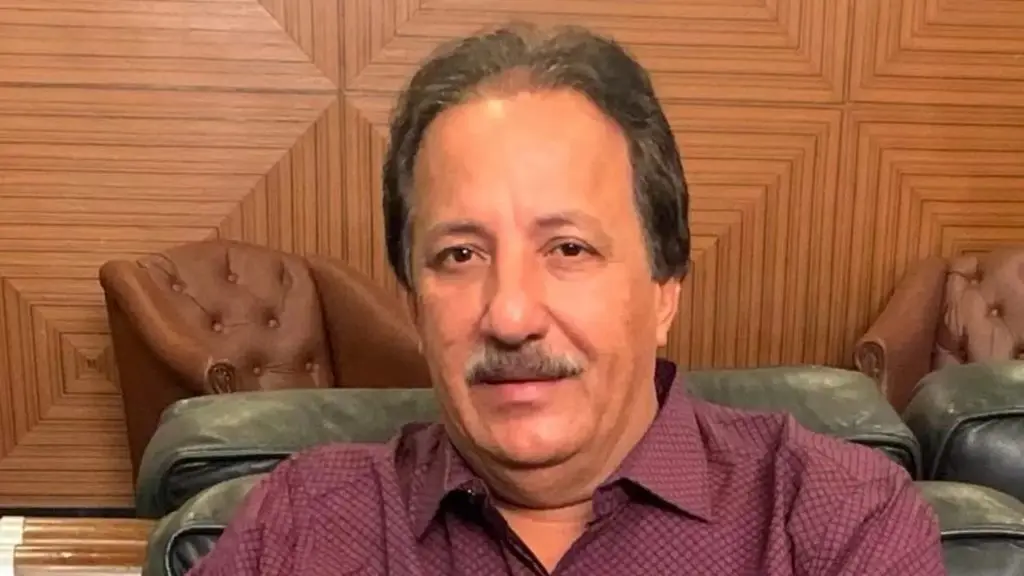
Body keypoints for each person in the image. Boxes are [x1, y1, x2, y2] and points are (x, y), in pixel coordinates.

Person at [187, 23, 945, 576]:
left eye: (569, 250)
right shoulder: (301, 526)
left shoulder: (836, 523)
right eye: (460, 255)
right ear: (415, 305)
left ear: (665, 287)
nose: (511, 316)